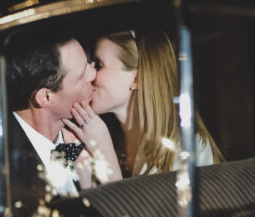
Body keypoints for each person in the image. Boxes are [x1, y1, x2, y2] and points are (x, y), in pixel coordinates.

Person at [63, 28, 223, 186]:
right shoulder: (102, 136)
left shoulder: (186, 149)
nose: (90, 74)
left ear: (136, 78)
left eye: (99, 65)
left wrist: (106, 153)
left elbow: (136, 212)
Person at [4, 25, 97, 217]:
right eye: (82, 75)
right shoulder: (5, 172)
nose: (93, 73)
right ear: (45, 97)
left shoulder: (77, 137)